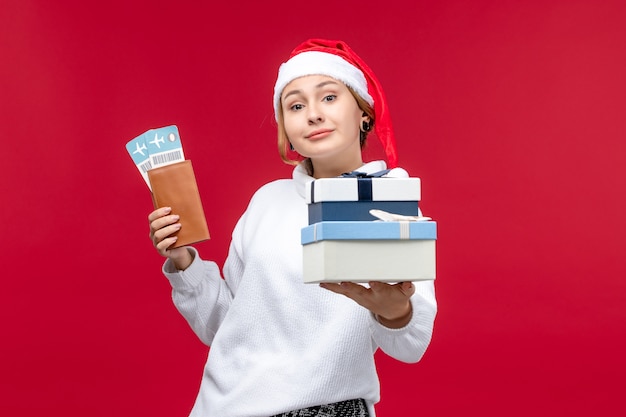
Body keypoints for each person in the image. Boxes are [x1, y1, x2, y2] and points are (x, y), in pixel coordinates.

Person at [148, 38, 437, 417]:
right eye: (296, 105)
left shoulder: (391, 203)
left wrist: (395, 311)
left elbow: (411, 344)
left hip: (328, 408)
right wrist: (185, 260)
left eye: (329, 97)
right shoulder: (267, 201)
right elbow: (227, 327)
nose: (313, 114)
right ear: (287, 130)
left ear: (364, 113)